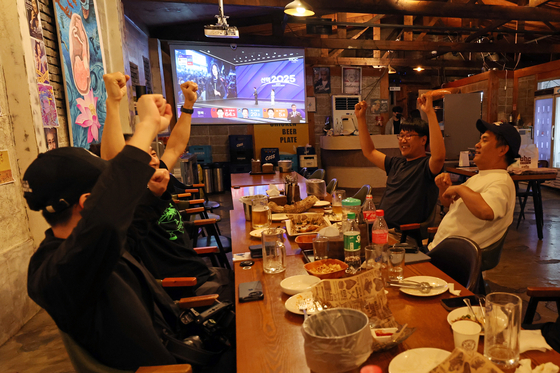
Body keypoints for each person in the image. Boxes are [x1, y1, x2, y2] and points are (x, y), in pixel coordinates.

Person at [101, 72, 233, 302]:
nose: (153, 160)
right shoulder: (133, 195)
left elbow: (176, 146)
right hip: (189, 286)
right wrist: (113, 103)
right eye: (144, 157)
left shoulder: (159, 176)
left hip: (202, 272)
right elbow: (114, 161)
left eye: (153, 154)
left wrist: (189, 105)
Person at [355, 92, 445, 230]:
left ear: (423, 140)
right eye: (401, 136)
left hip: (402, 236)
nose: (403, 140)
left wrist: (430, 113)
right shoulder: (396, 164)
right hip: (380, 228)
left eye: (408, 136)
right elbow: (370, 152)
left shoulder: (426, 167)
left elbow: (438, 156)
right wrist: (360, 118)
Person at [428, 119, 520, 251]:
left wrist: (460, 189)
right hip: (439, 249)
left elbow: (486, 211)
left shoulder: (501, 181)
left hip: (456, 258)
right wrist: (444, 188)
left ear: (502, 150)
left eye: (485, 140)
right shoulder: (478, 177)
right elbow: (448, 203)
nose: (477, 145)